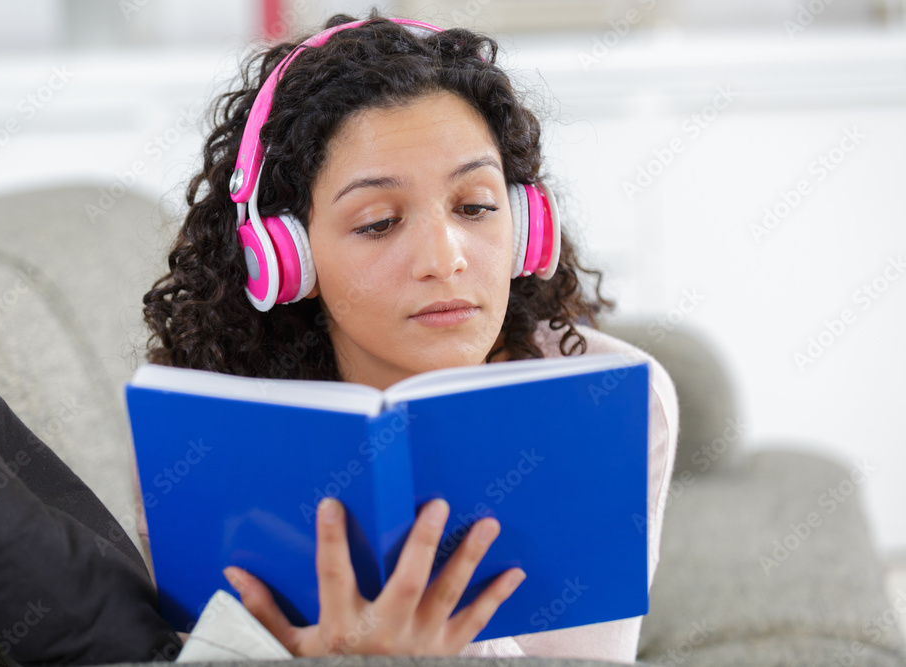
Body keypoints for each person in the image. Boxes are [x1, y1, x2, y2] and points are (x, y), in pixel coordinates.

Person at [140, 12, 679, 663]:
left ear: (526, 223)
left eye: (475, 207)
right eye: (378, 221)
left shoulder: (611, 404)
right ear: (287, 258)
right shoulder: (199, 433)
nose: (444, 258)